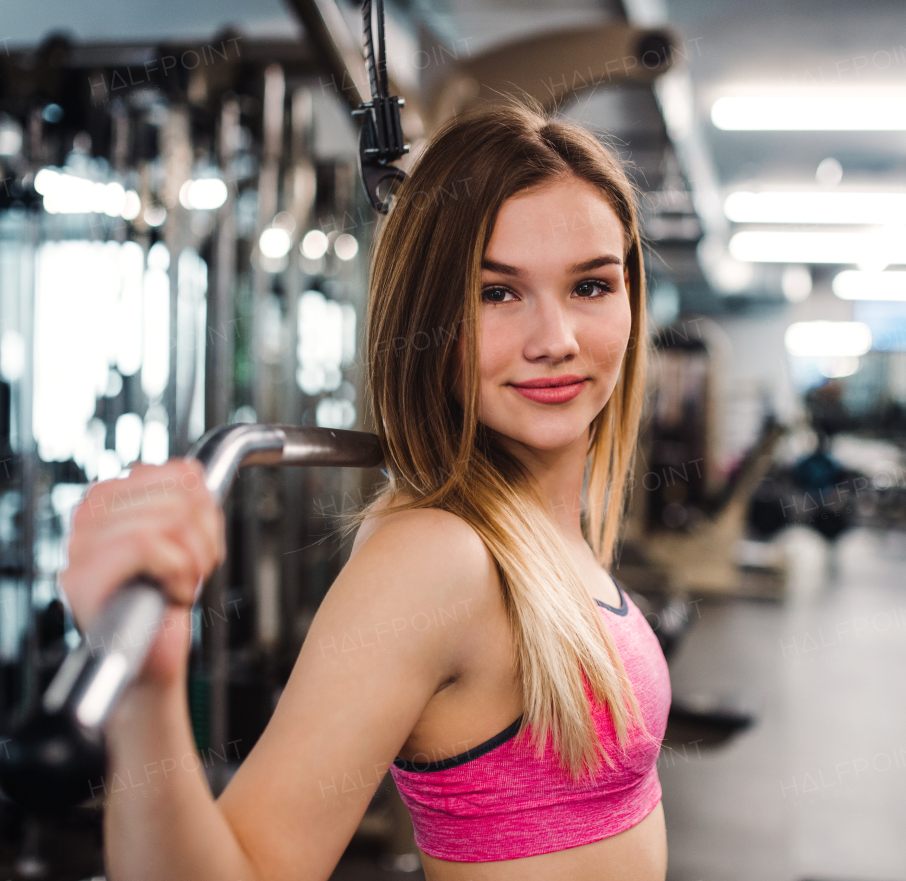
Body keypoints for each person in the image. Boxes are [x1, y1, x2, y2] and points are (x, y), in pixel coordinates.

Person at [60, 101, 672, 881]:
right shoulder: (438, 559)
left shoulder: (549, 533)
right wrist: (148, 695)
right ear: (428, 317)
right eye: (496, 293)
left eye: (590, 286)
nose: (555, 340)